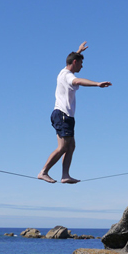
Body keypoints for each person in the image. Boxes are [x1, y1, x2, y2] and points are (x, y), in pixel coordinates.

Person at [38, 41, 112, 184]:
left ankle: (65, 175)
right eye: (80, 63)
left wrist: (79, 51)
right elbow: (77, 81)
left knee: (71, 146)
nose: (82, 66)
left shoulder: (63, 71)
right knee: (63, 147)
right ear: (75, 62)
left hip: (66, 116)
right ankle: (43, 172)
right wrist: (97, 84)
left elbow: (73, 60)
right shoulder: (68, 75)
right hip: (62, 115)